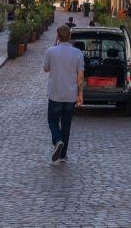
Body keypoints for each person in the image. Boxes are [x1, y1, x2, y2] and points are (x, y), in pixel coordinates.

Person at [43, 25, 84, 162]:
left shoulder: (51, 51)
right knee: (66, 124)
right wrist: (80, 94)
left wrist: (55, 46)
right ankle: (62, 154)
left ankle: (58, 140)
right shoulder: (77, 53)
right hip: (71, 95)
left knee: (52, 120)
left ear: (57, 36)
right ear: (70, 37)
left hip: (55, 94)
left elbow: (46, 69)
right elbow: (80, 76)